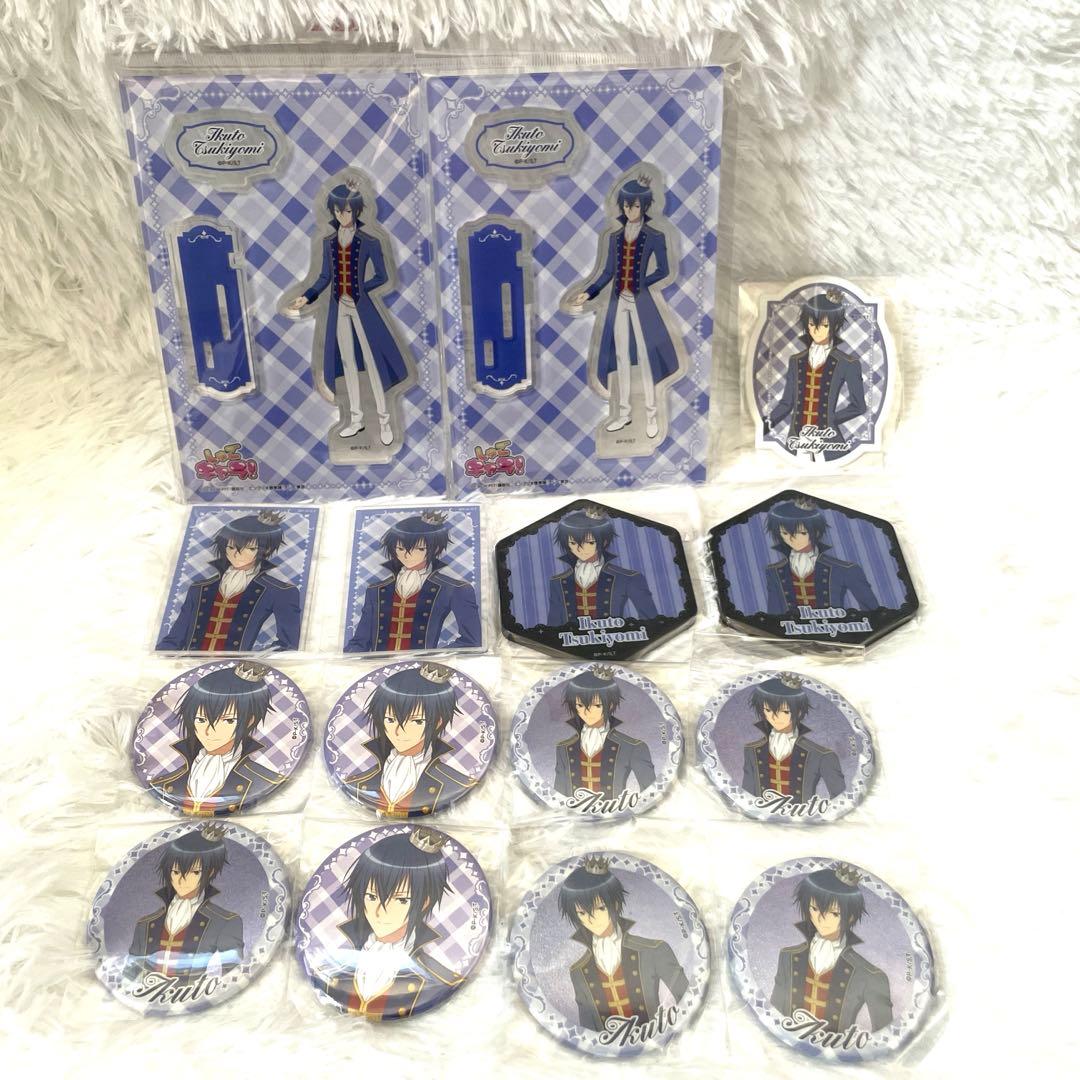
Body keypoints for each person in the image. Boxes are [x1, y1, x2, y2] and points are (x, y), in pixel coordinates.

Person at [287, 178, 410, 445]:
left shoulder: (370, 241)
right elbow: (324, 277)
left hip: (362, 308)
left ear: (356, 210)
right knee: (347, 363)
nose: (342, 216)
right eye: (337, 211)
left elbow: (383, 276)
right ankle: (356, 419)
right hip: (338, 307)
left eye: (347, 210)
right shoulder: (329, 242)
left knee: (374, 363)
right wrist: (306, 297)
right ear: (332, 212)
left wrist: (361, 290)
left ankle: (384, 420)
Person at [570, 173, 681, 438]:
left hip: (642, 304)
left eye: (635, 205)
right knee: (620, 356)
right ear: (621, 206)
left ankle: (652, 415)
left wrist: (642, 283)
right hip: (618, 301)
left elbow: (664, 270)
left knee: (646, 357)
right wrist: (588, 292)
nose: (630, 210)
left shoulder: (655, 235)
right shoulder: (614, 237)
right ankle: (623, 414)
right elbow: (608, 271)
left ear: (645, 206)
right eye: (627, 205)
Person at [319, 827, 461, 1020]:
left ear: (424, 902)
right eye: (371, 896)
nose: (380, 911)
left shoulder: (437, 977)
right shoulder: (329, 963)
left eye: (401, 900)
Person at [558, 855, 688, 1031]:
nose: (591, 919)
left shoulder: (654, 950)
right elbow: (588, 1030)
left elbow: (689, 1001)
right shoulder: (578, 972)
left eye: (600, 908)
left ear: (616, 904)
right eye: (581, 913)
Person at [150, 661, 285, 814]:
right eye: (201, 719)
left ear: (249, 720)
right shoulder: (162, 784)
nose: (209, 731)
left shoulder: (265, 780)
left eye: (228, 720)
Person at [771, 864, 893, 1033]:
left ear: (850, 917)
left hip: (836, 1048)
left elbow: (885, 1035)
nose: (821, 919)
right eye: (814, 909)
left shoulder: (870, 975)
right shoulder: (787, 957)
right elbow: (773, 1015)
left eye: (834, 913)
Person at [157, 510, 302, 652]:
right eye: (231, 547)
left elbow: (288, 645)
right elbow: (174, 640)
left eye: (249, 548)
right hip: (189, 664)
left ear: (267, 550)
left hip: (237, 666)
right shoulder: (199, 589)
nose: (236, 554)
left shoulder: (279, 592)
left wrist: (254, 661)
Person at [343, 665, 475, 816]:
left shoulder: (456, 783)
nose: (398, 731)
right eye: (390, 719)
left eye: (416, 721)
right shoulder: (356, 783)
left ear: (438, 722)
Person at [346, 511, 481, 652]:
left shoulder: (455, 589)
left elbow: (472, 641)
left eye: (419, 549)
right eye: (400, 548)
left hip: (423, 664)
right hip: (378, 663)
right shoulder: (375, 590)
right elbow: (359, 642)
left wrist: (432, 657)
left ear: (435, 549)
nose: (407, 555)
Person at [126, 824, 243, 984]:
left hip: (196, 995)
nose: (182, 880)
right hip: (148, 994)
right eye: (175, 872)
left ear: (210, 872)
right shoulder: (145, 924)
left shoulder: (225, 922)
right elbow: (128, 976)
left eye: (194, 872)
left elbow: (233, 975)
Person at [766, 289, 866, 462]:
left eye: (824, 326)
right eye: (812, 324)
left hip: (829, 442)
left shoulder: (848, 363)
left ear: (835, 326)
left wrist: (830, 419)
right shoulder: (796, 361)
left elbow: (859, 407)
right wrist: (764, 425)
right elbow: (786, 404)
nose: (817, 331)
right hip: (796, 441)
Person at [762, 497, 877, 614]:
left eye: (802, 533)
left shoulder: (844, 569)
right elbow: (773, 615)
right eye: (785, 533)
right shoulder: (774, 571)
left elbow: (873, 612)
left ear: (816, 532)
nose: (793, 539)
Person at [553, 667, 655, 800]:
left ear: (610, 704)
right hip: (573, 811)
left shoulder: (633, 747)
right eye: (580, 705)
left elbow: (651, 792)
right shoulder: (563, 748)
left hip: (615, 811)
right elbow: (558, 796)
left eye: (596, 705)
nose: (587, 712)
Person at [741, 675, 844, 802]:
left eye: (784, 711)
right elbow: (745, 797)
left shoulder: (821, 755)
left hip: (802, 814)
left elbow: (842, 799)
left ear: (799, 712)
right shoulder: (751, 750)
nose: (774, 717)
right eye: (768, 710)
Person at [546, 506, 657, 626]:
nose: (580, 549)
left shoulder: (627, 578)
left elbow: (651, 621)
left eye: (590, 542)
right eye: (573, 543)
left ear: (604, 542)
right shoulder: (557, 581)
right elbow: (553, 625)